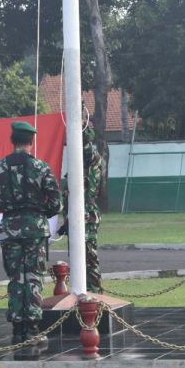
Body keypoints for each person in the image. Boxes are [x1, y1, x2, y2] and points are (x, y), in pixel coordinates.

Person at [0, 120, 61, 342]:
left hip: (10, 228)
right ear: (31, 140)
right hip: (35, 227)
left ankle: (17, 327)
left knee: (15, 276)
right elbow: (55, 202)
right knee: (33, 276)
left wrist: (9, 209)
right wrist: (40, 213)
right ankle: (33, 328)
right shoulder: (41, 167)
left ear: (13, 140)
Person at [57, 125, 105, 293]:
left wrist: (79, 126)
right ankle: (84, 290)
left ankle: (94, 293)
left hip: (87, 216)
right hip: (78, 215)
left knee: (89, 258)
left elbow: (89, 151)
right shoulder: (78, 162)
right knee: (80, 258)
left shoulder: (90, 156)